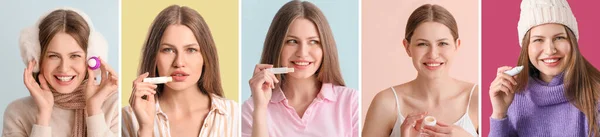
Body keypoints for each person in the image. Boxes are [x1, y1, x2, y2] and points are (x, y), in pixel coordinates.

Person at [241, 1, 358, 137]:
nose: (302, 53)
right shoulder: (252, 108)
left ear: (325, 47)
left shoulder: (351, 103)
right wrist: (260, 110)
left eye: (313, 42)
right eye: (292, 41)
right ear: (277, 46)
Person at [121, 5, 239, 137]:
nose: (179, 63)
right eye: (168, 50)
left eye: (191, 50)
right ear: (154, 56)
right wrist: (145, 129)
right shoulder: (127, 119)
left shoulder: (233, 115)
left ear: (206, 56)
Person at [363, 4, 478, 137]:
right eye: (422, 44)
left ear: (456, 46)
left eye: (443, 43)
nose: (433, 54)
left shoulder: (478, 99)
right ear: (407, 47)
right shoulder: (386, 103)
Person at [488, 0, 600, 136]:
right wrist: (499, 113)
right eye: (538, 40)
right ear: (526, 48)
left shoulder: (596, 95)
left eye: (559, 38)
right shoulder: (512, 96)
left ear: (572, 42)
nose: (550, 50)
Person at [3, 8, 119, 137]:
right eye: (53, 56)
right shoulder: (17, 112)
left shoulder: (114, 106)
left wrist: (94, 110)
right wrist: (43, 116)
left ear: (90, 59)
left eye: (75, 56)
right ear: (37, 59)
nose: (64, 68)